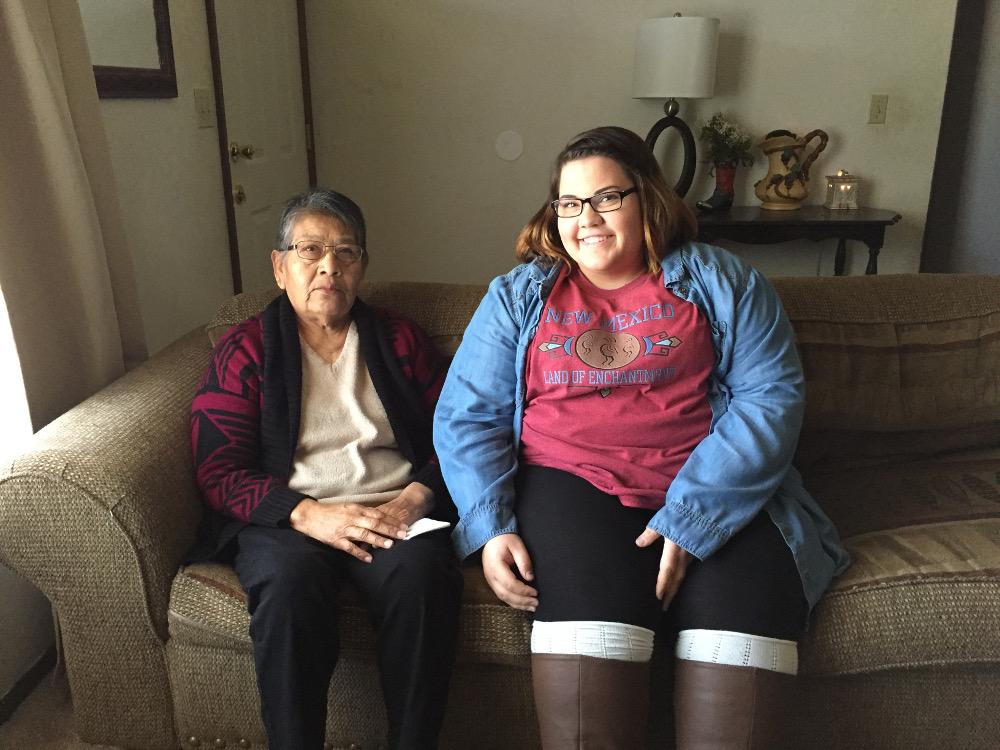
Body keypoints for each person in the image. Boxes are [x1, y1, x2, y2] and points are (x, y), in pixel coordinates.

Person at [433, 126, 850, 750]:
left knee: (744, 620)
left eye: (607, 198)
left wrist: (694, 518)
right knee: (594, 637)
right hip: (568, 483)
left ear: (647, 198)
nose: (586, 218)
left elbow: (771, 401)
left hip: (718, 490)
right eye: (570, 204)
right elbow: (468, 415)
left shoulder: (724, 281)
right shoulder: (518, 295)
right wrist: (488, 526)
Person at [189, 188, 462, 750]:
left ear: (363, 266)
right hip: (291, 518)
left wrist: (414, 499)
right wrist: (307, 514)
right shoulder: (244, 351)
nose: (329, 267)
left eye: (346, 252)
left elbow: (460, 436)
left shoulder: (399, 340)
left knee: (423, 580)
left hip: (394, 510)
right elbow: (218, 468)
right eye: (310, 250)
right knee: (287, 587)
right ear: (280, 265)